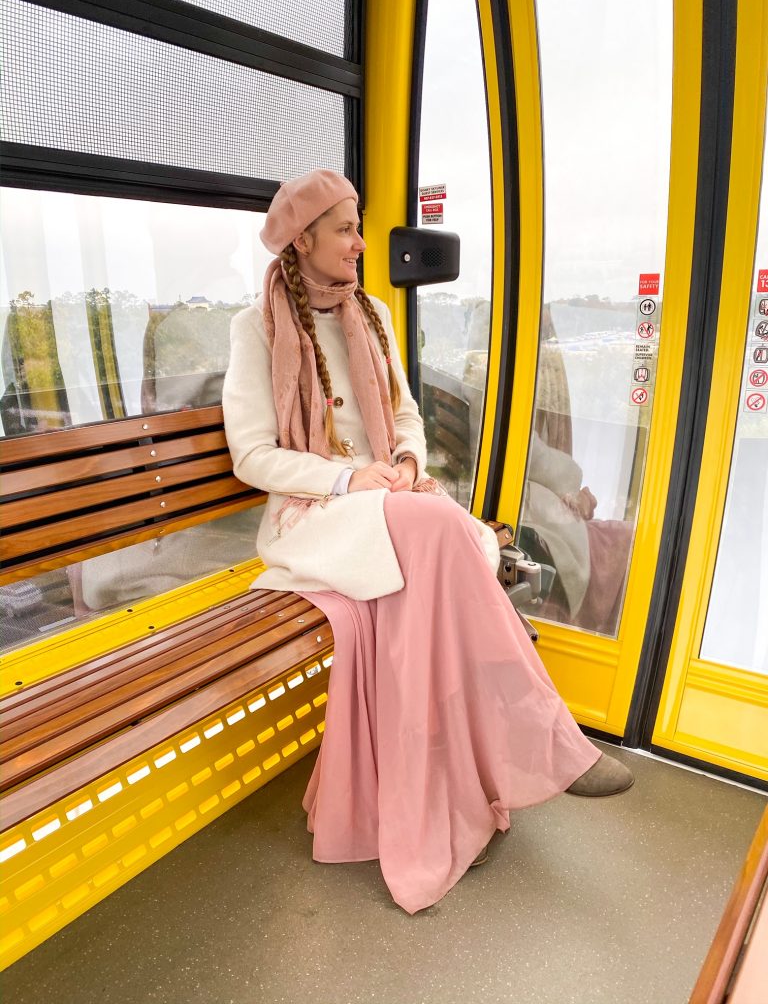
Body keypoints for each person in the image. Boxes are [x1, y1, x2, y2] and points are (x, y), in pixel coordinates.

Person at [222, 169, 633, 915]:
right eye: (345, 228)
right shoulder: (256, 328)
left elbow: (405, 418)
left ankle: (469, 786)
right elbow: (252, 457)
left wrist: (406, 462)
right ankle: (547, 743)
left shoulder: (371, 316)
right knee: (448, 530)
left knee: (439, 549)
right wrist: (353, 481)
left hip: (389, 505)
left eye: (359, 226)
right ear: (303, 240)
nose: (359, 242)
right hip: (317, 516)